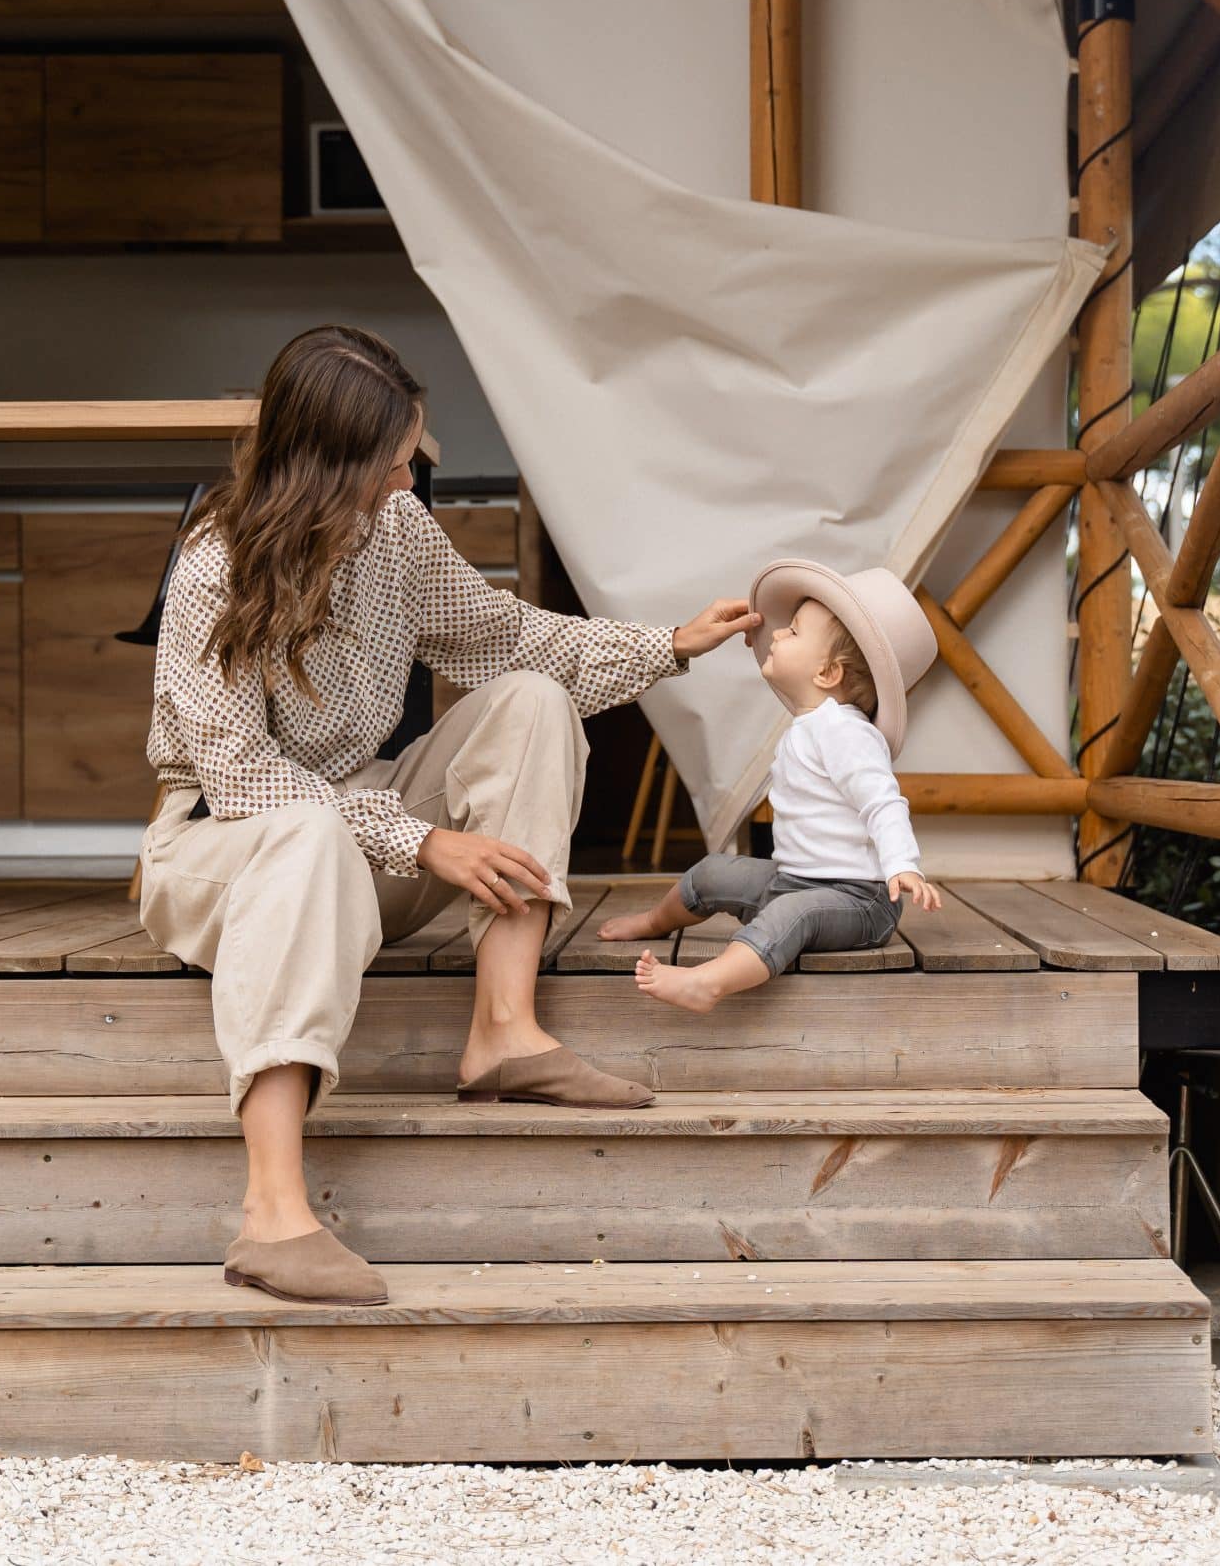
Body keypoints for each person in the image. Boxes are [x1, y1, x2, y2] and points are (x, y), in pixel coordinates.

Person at [137, 324, 758, 1306]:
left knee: (527, 701)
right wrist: (418, 837)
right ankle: (271, 1212)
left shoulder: (397, 535)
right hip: (220, 857)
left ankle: (505, 1032)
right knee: (303, 833)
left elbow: (507, 640)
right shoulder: (218, 564)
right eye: (390, 466)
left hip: (354, 855)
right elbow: (247, 779)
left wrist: (670, 645)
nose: (405, 484)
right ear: (324, 467)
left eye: (411, 460)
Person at [598, 560, 942, 1013]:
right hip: (796, 880)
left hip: (860, 901)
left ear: (827, 674)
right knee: (713, 871)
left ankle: (710, 983)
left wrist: (902, 864)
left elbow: (883, 802)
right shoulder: (812, 723)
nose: (777, 635)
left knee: (789, 916)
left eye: (793, 633)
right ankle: (653, 921)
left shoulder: (846, 732)